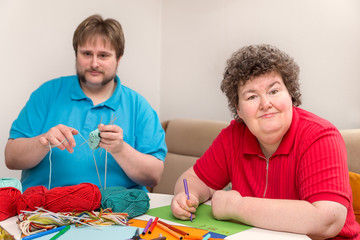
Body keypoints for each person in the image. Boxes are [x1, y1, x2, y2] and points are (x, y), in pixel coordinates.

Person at [171, 44, 360, 239]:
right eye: (252, 96)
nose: (265, 104)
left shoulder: (320, 136)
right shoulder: (233, 136)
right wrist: (188, 196)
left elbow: (326, 221)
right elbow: (193, 179)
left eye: (274, 91)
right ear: (238, 109)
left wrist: (235, 206)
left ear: (290, 94)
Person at [5, 15, 167, 192]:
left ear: (118, 58)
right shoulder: (48, 93)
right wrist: (42, 142)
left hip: (116, 214)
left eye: (103, 55)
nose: (94, 63)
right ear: (76, 54)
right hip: (46, 212)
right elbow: (11, 158)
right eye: (87, 54)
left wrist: (121, 149)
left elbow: (154, 176)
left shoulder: (138, 106)